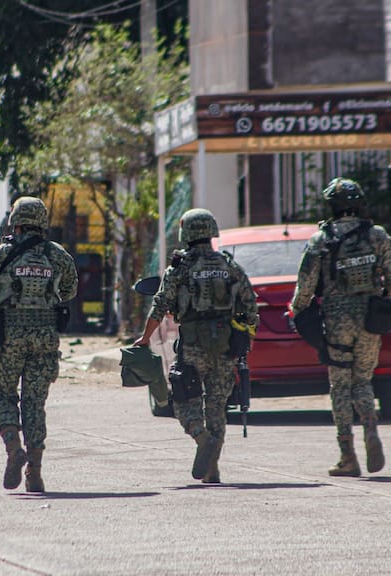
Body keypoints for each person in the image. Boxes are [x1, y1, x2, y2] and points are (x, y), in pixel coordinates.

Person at [0, 197, 78, 492]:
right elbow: (70, 289)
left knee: (1, 394)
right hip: (45, 337)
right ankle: (34, 473)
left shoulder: (1, 254)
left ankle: (14, 448)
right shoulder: (58, 255)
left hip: (10, 337)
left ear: (16, 222)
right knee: (35, 403)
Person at [133, 208, 258, 483]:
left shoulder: (180, 268)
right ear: (212, 231)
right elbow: (251, 307)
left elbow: (160, 305)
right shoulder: (229, 265)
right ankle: (212, 468)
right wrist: (243, 338)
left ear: (185, 233)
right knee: (217, 406)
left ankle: (202, 439)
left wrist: (145, 337)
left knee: (184, 402)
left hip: (192, 347)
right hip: (225, 347)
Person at [289, 177, 391, 477]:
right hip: (371, 319)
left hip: (336, 322)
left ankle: (348, 456)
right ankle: (370, 426)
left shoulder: (321, 239)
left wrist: (297, 310)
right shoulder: (377, 235)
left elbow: (306, 285)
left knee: (340, 386)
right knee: (363, 380)